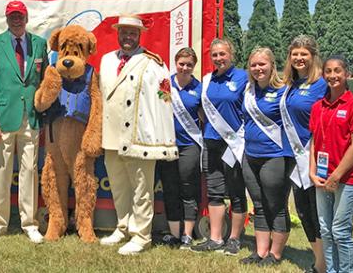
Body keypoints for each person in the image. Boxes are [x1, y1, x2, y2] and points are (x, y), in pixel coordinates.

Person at [98, 14, 178, 255]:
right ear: (118, 33)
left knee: (142, 189)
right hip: (111, 135)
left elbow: (164, 101)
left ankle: (142, 235)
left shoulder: (153, 62)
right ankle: (122, 227)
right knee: (119, 187)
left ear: (140, 35)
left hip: (138, 135)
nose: (127, 37)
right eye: (124, 32)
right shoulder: (106, 60)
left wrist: (159, 136)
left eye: (132, 33)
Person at [0, 1, 48, 244]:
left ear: (27, 17)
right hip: (2, 120)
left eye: (20, 15)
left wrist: (43, 110)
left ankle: (30, 224)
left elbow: (44, 82)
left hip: (31, 118)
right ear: (7, 18)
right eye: (12, 16)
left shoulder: (39, 44)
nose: (17, 20)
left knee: (30, 172)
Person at [309, 55, 353, 273]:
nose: (333, 75)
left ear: (347, 75)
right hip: (323, 177)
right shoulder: (318, 107)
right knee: (325, 230)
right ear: (323, 75)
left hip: (349, 179)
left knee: (340, 231)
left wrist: (336, 176)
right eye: (328, 71)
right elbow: (314, 141)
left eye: (337, 71)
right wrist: (312, 172)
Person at [191, 38, 248, 256]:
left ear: (231, 54)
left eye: (222, 54)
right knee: (214, 192)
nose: (218, 58)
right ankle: (214, 238)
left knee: (235, 192)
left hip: (233, 145)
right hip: (211, 142)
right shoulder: (207, 80)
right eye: (214, 55)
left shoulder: (243, 77)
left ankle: (234, 238)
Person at [280, 35, 327, 273]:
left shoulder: (323, 83)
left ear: (313, 56)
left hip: (317, 157)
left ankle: (324, 263)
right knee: (303, 210)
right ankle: (320, 260)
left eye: (304, 54)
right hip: (296, 158)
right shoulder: (289, 85)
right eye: (295, 54)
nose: (299, 58)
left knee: (317, 211)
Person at [240, 48, 291, 266]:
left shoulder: (284, 91)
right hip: (250, 155)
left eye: (262, 64)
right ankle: (260, 252)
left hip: (275, 155)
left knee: (276, 204)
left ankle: (276, 254)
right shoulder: (248, 90)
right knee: (258, 204)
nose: (258, 68)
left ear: (272, 65)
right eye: (254, 65)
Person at [157, 47, 202, 249]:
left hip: (189, 145)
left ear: (194, 66)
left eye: (189, 65)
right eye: (181, 64)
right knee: (170, 188)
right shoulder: (165, 85)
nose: (185, 68)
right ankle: (174, 234)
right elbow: (158, 108)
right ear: (175, 63)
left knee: (188, 188)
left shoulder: (199, 88)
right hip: (167, 144)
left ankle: (187, 235)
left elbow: (203, 116)